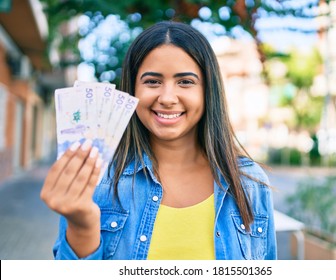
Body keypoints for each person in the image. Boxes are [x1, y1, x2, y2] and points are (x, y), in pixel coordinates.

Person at [41, 21, 277, 260]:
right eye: (152, 81)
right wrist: (82, 227)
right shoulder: (97, 178)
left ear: (208, 91)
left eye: (185, 81)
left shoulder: (250, 183)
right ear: (132, 90)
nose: (167, 98)